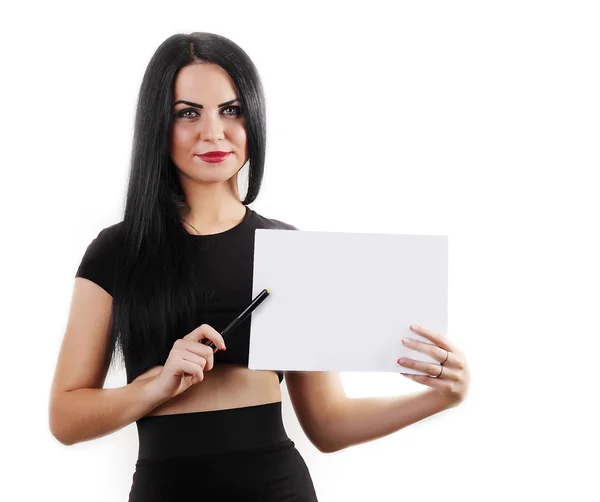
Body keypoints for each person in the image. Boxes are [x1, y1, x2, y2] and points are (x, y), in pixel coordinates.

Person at [49, 32, 470, 501]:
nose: (213, 132)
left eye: (231, 110)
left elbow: (328, 424)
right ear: (157, 125)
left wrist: (438, 397)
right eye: (188, 113)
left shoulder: (288, 250)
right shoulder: (117, 251)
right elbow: (65, 419)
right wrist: (155, 387)